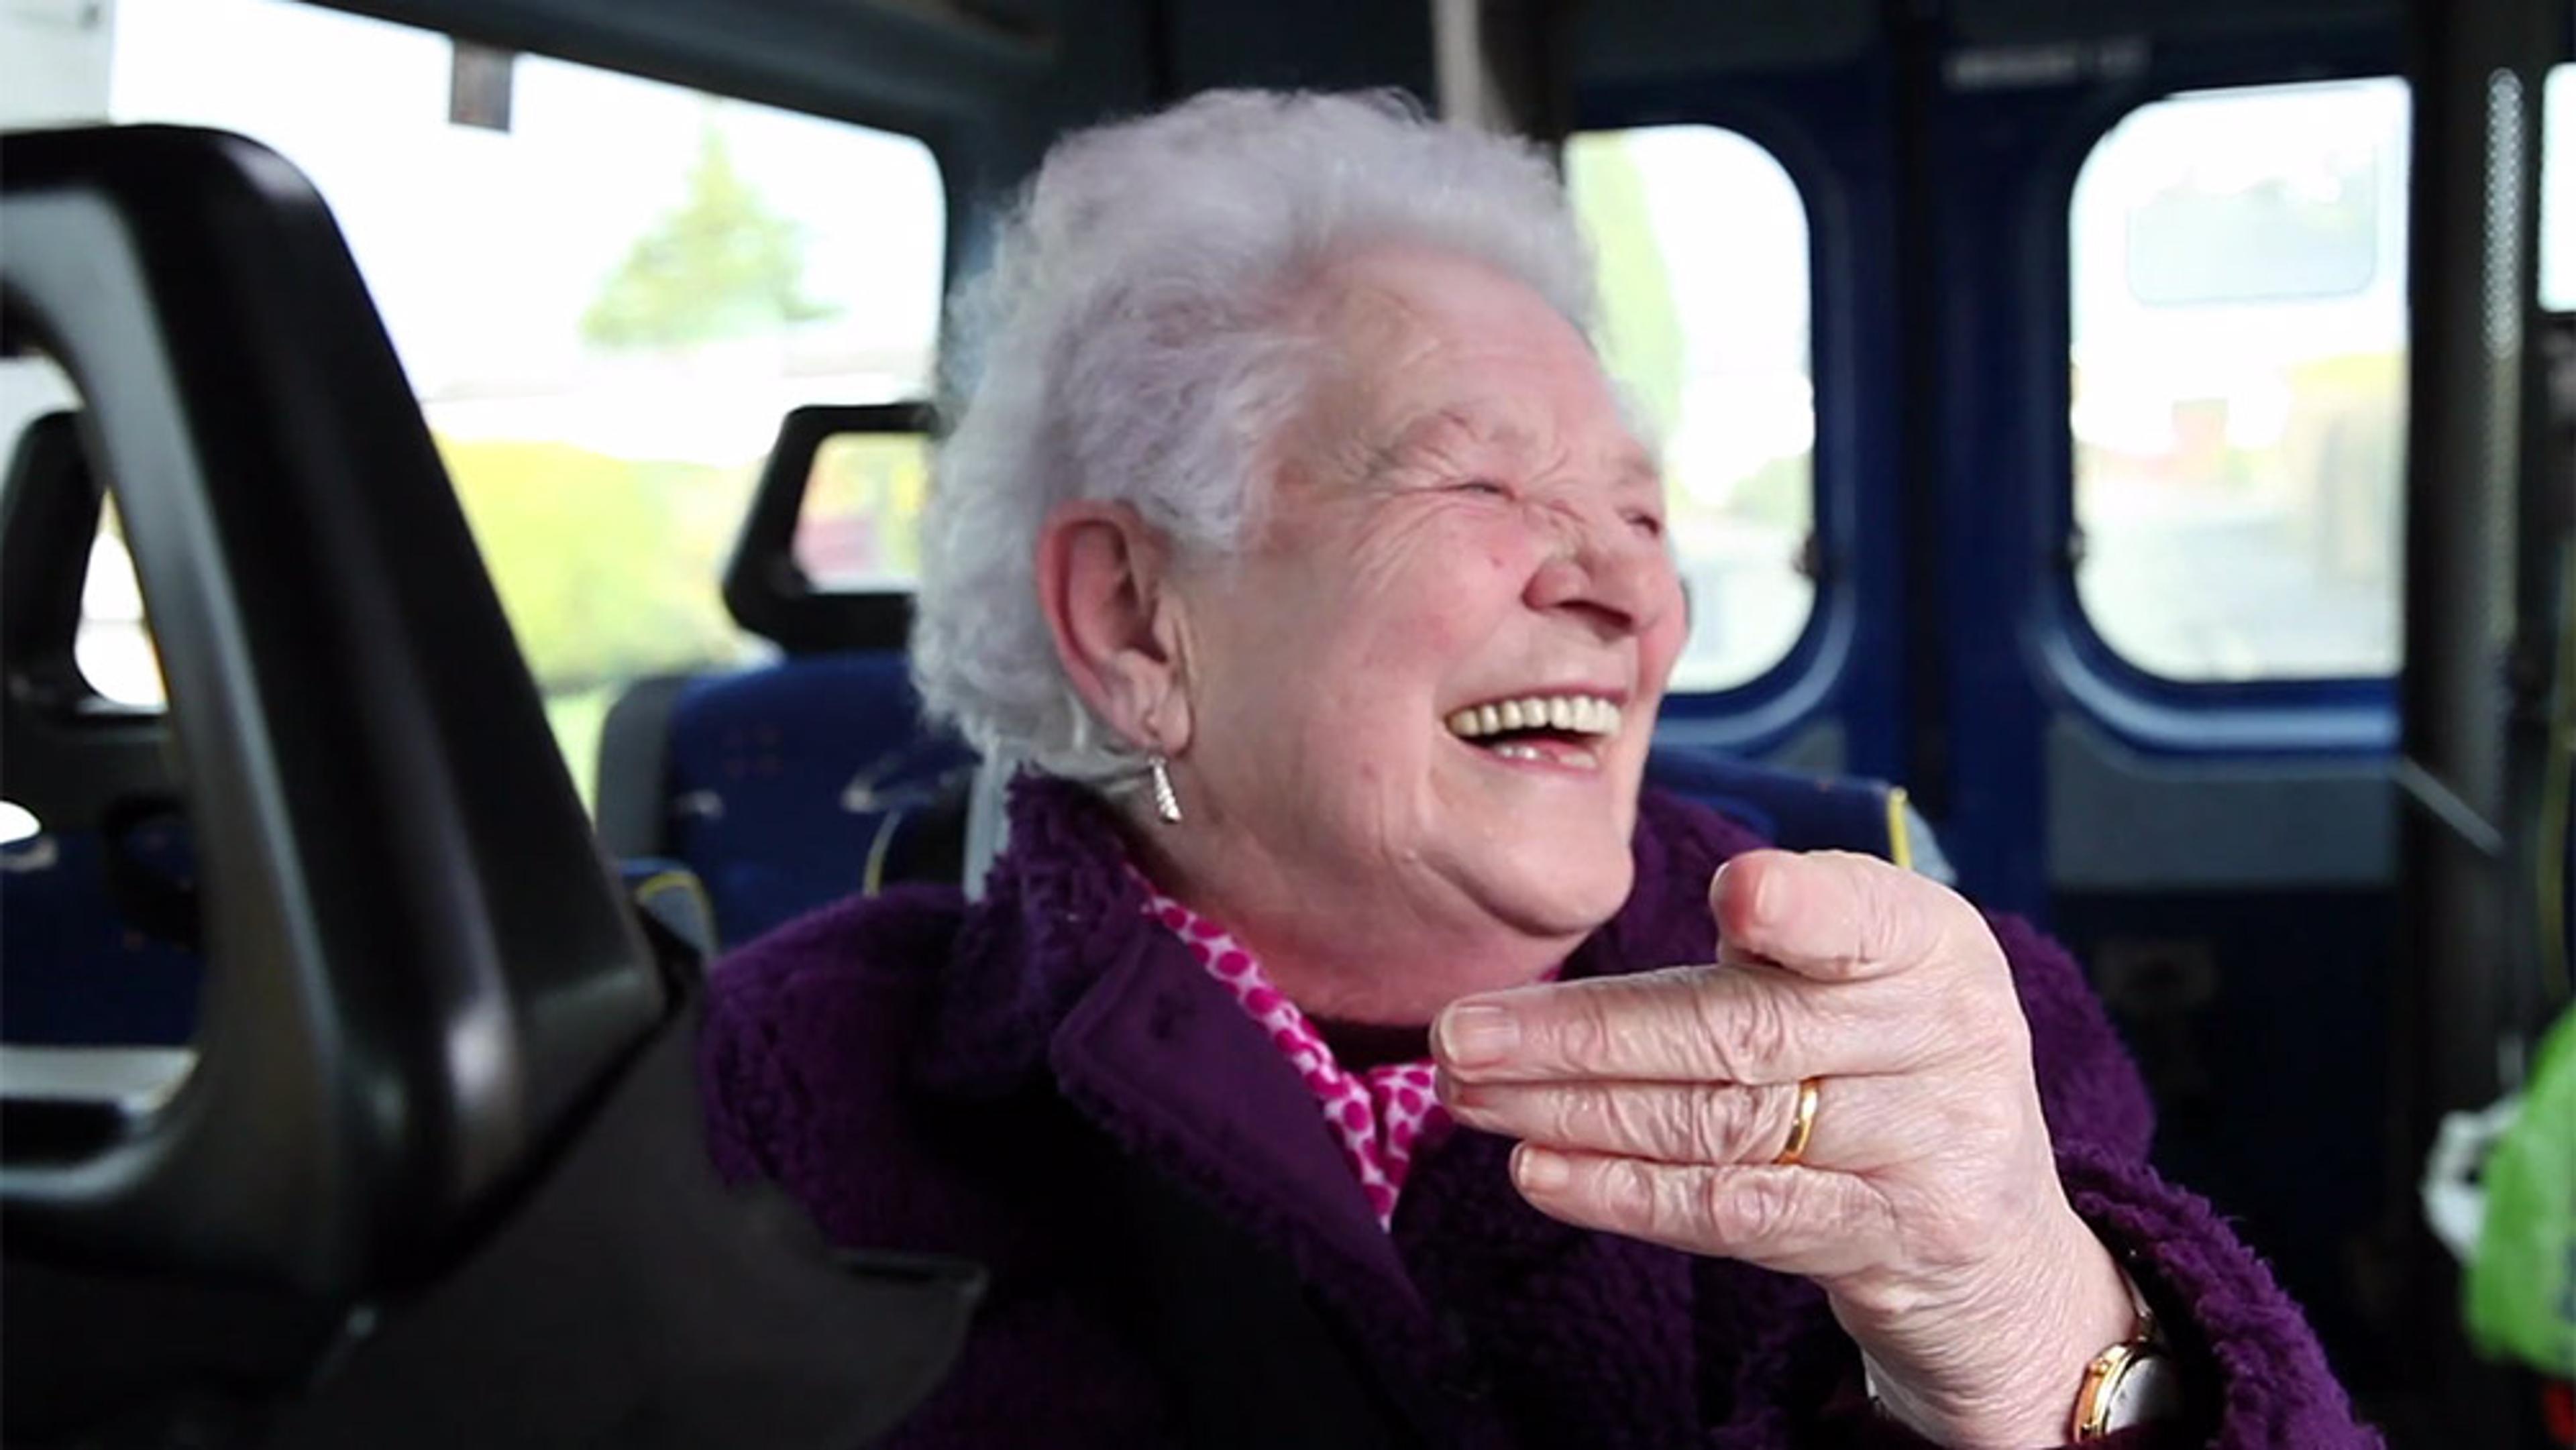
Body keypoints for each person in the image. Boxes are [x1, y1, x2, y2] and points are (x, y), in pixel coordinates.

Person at [700, 89, 2377, 1449]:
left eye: (1641, 515)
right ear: (1134, 614)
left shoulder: (1939, 1038)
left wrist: (2043, 1336)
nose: (1627, 589)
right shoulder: (792, 1079)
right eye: (1485, 490)